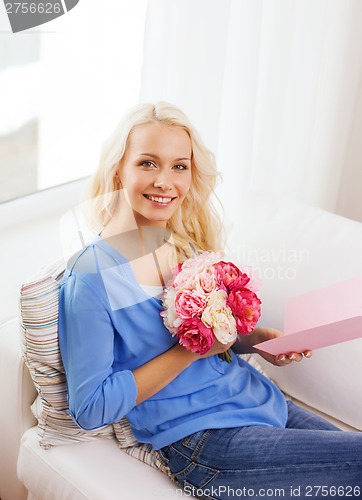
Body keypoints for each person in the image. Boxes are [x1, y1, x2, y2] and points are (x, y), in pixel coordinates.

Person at [58, 102, 362, 499]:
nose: (165, 181)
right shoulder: (90, 277)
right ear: (119, 169)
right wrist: (192, 352)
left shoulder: (183, 248)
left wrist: (255, 342)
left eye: (179, 166)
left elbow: (215, 337)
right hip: (205, 441)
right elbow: (91, 408)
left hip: (260, 399)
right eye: (148, 163)